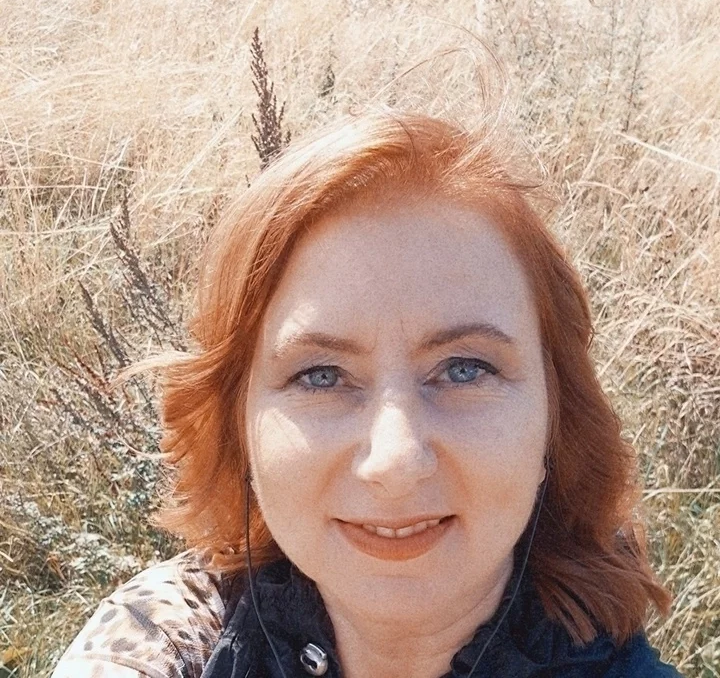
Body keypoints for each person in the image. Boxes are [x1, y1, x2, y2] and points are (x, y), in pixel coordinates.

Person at [51, 108, 682, 678]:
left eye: (464, 369)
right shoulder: (168, 632)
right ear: (238, 425)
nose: (395, 461)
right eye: (321, 375)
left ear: (556, 415)